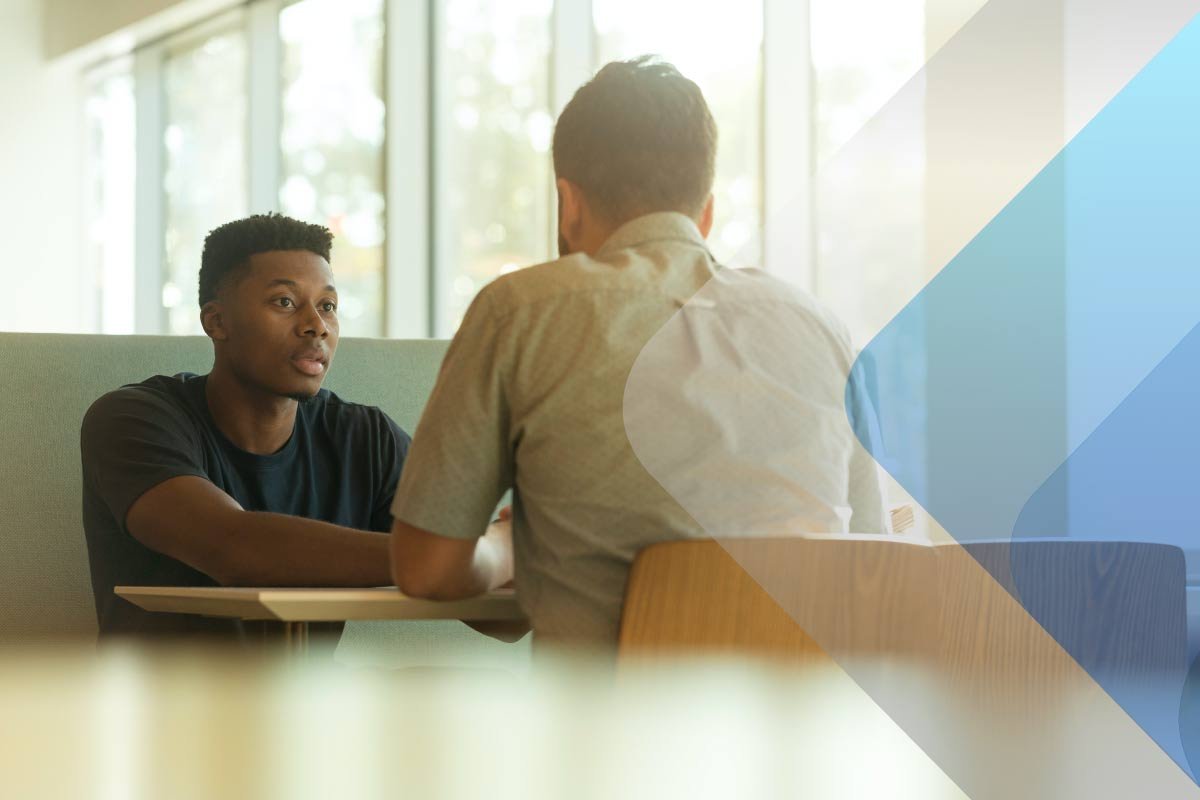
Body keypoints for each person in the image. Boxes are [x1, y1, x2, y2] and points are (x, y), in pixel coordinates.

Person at [389, 57, 885, 650]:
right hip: (812, 728)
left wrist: (506, 546)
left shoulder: (519, 311)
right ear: (704, 212)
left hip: (608, 733)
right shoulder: (823, 330)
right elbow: (874, 558)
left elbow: (426, 570)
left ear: (567, 203)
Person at [81, 213, 410, 639]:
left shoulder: (367, 438)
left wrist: (501, 554)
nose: (317, 325)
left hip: (308, 702)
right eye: (285, 302)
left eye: (327, 306)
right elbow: (236, 550)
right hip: (161, 703)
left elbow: (501, 618)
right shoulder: (131, 420)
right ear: (216, 322)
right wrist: (452, 560)